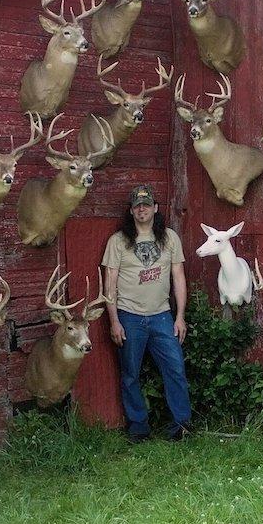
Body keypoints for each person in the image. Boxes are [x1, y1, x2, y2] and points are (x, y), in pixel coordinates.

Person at [102, 184, 191, 442]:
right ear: (131, 211)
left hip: (162, 316)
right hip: (129, 316)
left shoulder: (170, 238)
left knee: (175, 369)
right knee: (130, 374)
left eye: (146, 204)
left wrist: (180, 316)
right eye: (137, 206)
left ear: (155, 208)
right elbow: (110, 282)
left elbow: (178, 277)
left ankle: (181, 427)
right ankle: (138, 428)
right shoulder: (118, 242)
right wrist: (114, 321)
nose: (142, 209)